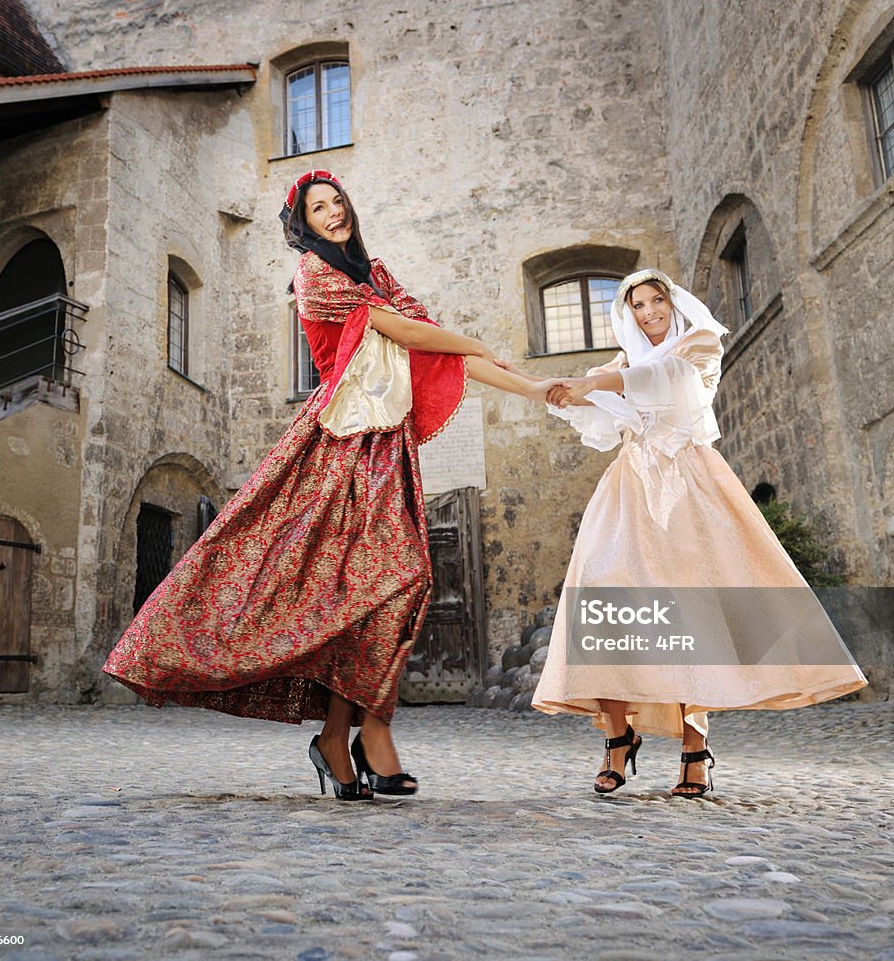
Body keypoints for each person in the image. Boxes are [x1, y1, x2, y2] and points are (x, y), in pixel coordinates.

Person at [104, 169, 556, 801]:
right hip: (337, 446)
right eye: (319, 208)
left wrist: (537, 387)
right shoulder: (313, 277)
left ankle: (346, 734)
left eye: (337, 201)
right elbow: (410, 333)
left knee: (387, 586)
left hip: (386, 447)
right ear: (305, 224)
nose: (333, 212)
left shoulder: (378, 275)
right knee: (377, 580)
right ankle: (358, 735)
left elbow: (443, 350)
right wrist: (474, 338)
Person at [529, 268, 867, 797]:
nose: (648, 313)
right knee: (601, 597)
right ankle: (619, 737)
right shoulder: (623, 361)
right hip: (629, 486)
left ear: (672, 302)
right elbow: (596, 403)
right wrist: (553, 388)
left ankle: (694, 746)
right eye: (636, 306)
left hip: (689, 484)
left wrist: (594, 383)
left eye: (655, 301)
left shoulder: (700, 343)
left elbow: (668, 380)